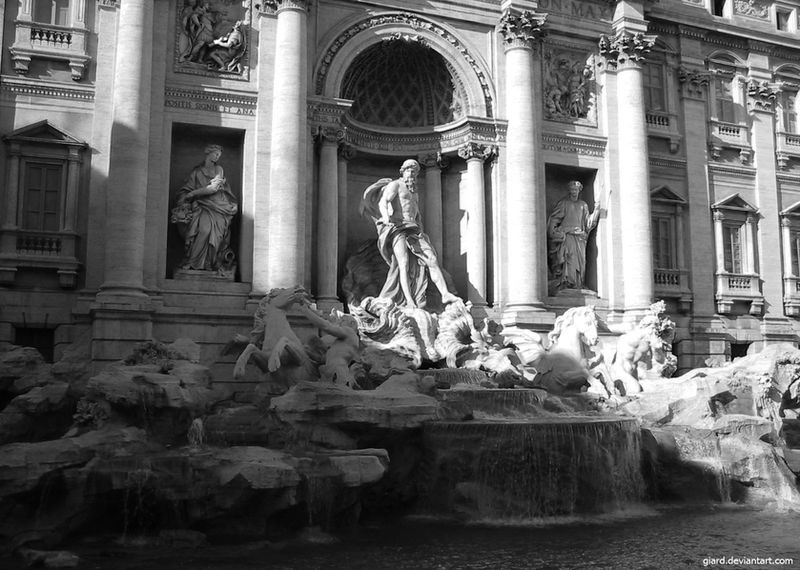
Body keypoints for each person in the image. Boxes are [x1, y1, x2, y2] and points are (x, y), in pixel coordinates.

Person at [360, 159, 459, 309]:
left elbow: (416, 214)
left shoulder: (414, 193)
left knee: (431, 259)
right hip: (398, 227)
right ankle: (409, 300)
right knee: (403, 263)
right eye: (409, 170)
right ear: (403, 171)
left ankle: (445, 293)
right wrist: (386, 218)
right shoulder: (395, 185)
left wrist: (421, 230)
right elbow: (383, 202)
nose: (411, 173)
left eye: (414, 171)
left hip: (414, 230)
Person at [172, 144, 238, 273]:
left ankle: (209, 263)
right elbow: (186, 189)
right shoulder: (196, 172)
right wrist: (185, 196)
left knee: (215, 236)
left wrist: (193, 194)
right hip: (202, 206)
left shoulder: (219, 169)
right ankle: (193, 262)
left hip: (218, 206)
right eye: (215, 154)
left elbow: (213, 188)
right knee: (203, 230)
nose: (217, 157)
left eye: (219, 155)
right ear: (208, 153)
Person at [546, 180, 601, 292]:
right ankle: (568, 284)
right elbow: (554, 219)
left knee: (581, 263)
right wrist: (553, 232)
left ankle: (578, 284)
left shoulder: (583, 205)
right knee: (569, 260)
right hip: (569, 236)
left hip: (580, 238)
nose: (573, 192)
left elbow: (588, 223)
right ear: (569, 190)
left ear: (579, 191)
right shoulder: (564, 203)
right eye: (572, 190)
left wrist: (597, 209)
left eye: (576, 190)